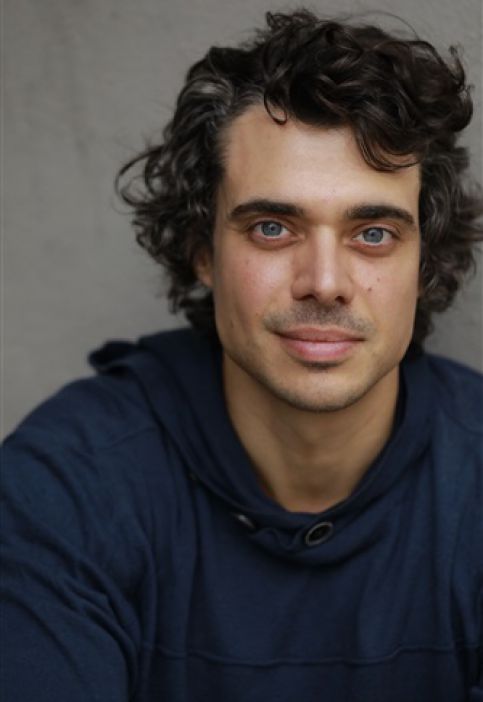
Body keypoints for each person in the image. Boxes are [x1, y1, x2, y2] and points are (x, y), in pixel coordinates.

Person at [2, 8, 483, 701]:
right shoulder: (65, 483)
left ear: (424, 261)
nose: (324, 281)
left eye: (373, 233)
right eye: (272, 227)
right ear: (203, 250)